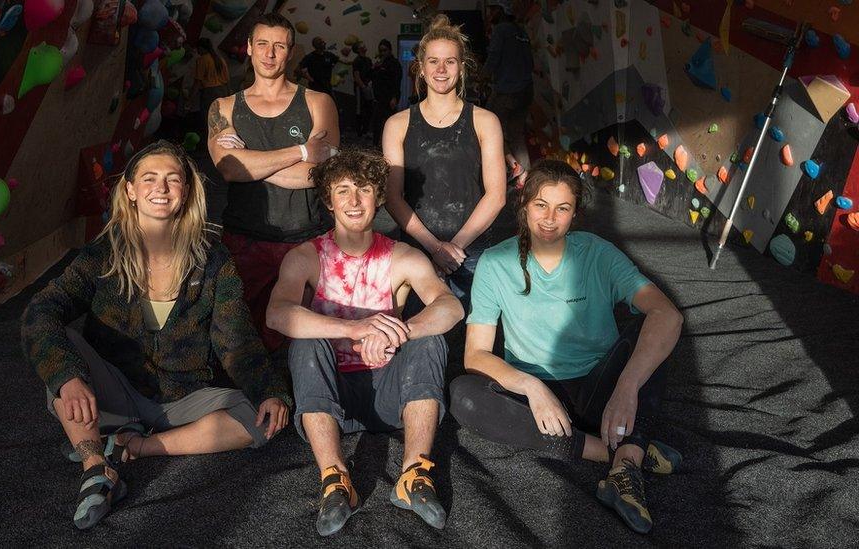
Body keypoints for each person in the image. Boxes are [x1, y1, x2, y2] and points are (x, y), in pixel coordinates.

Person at [21, 140, 291, 530]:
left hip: (181, 399)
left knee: (257, 418)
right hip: (112, 390)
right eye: (149, 178)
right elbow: (40, 312)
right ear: (130, 190)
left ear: (185, 192)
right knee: (60, 358)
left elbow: (236, 340)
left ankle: (136, 446)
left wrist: (269, 390)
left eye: (172, 179)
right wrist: (68, 378)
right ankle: (96, 466)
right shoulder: (103, 256)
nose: (161, 187)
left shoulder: (212, 261)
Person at [449, 160, 684, 535]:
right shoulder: (495, 264)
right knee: (464, 395)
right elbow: (475, 355)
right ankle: (623, 455)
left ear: (575, 214)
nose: (549, 218)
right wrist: (531, 386)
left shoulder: (598, 253)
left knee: (653, 329)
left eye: (562, 208)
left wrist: (626, 389)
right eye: (541, 205)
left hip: (599, 389)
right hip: (537, 402)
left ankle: (622, 454)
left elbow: (667, 314)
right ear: (523, 204)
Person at [267, 149, 464, 536]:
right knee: (305, 344)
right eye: (343, 191)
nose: (354, 201)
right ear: (329, 201)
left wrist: (394, 331)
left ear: (378, 197)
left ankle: (414, 476)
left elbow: (450, 307)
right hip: (330, 399)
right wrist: (355, 329)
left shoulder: (402, 256)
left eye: (364, 190)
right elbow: (278, 314)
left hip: (391, 394)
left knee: (430, 340)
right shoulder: (304, 257)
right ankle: (335, 480)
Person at [207, 13, 340, 351]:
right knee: (240, 342)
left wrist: (250, 162)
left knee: (311, 343)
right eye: (262, 44)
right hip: (243, 241)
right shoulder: (222, 107)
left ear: (290, 51)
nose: (269, 54)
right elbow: (229, 170)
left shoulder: (318, 103)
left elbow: (320, 175)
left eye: (279, 46)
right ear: (249, 48)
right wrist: (301, 150)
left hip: (308, 240)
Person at [382, 15, 507, 312]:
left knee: (474, 339)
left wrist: (456, 247)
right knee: (413, 335)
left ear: (461, 68)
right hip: (416, 247)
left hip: (471, 248)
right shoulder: (397, 124)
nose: (441, 69)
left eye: (450, 62)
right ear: (421, 69)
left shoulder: (485, 121)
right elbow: (392, 196)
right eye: (434, 62)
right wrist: (434, 247)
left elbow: (497, 195)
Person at [484, 0, 534, 185]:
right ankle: (525, 177)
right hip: (526, 90)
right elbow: (530, 62)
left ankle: (514, 165)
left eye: (492, 10)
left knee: (489, 128)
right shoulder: (521, 31)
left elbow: (493, 58)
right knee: (516, 133)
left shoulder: (501, 30)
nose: (489, 15)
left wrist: (482, 76)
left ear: (500, 10)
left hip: (506, 91)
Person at [370, 38, 402, 146]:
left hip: (389, 98)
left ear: (390, 50)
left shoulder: (394, 63)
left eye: (385, 50)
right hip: (379, 98)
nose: (383, 53)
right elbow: (374, 79)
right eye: (381, 50)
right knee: (377, 123)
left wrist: (394, 97)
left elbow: (396, 81)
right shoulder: (379, 63)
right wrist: (375, 68)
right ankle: (376, 145)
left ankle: (392, 144)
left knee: (390, 122)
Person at [195, 38, 230, 134]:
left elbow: (198, 81)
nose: (197, 51)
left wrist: (190, 98)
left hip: (209, 93)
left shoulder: (202, 60)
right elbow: (227, 80)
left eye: (198, 48)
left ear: (201, 48)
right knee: (220, 119)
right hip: (222, 91)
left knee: (208, 121)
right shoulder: (220, 59)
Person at [352, 42, 373, 137]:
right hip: (360, 88)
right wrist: (363, 87)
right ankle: (359, 132)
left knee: (369, 108)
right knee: (360, 109)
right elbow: (356, 76)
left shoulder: (368, 60)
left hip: (368, 87)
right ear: (358, 49)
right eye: (362, 46)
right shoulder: (357, 61)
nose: (364, 46)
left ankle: (366, 130)